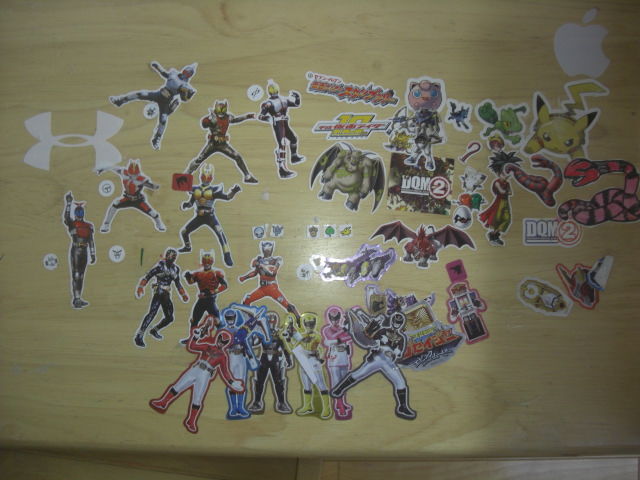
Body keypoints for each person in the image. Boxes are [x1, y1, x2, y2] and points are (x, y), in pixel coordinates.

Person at [149, 319, 243, 434]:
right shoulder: (208, 346)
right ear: (217, 338)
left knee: (198, 397)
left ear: (226, 343)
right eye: (220, 340)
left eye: (224, 342)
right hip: (196, 368)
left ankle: (191, 421)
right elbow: (192, 346)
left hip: (206, 374)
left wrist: (232, 382)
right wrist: (195, 337)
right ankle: (163, 402)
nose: (221, 343)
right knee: (178, 386)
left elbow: (225, 371)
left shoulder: (223, 356)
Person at [331, 311, 416, 420]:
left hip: (389, 361)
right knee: (359, 373)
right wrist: (379, 340)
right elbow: (370, 339)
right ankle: (339, 389)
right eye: (395, 322)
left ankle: (402, 407)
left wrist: (393, 352)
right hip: (377, 356)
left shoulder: (401, 338)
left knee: (400, 382)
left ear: (401, 324)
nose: (396, 324)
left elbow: (398, 352)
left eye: (398, 323)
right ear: (392, 321)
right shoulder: (383, 330)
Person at [109, 61, 197, 150]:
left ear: (190, 75)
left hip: (166, 101)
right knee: (141, 94)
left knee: (163, 120)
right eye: (186, 72)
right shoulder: (174, 73)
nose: (186, 74)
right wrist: (158, 68)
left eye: (188, 74)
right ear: (184, 70)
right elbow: (165, 74)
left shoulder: (186, 85)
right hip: (158, 94)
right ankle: (120, 100)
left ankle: (157, 138)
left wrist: (187, 93)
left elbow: (184, 99)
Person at [178, 163, 240, 267]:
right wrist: (186, 205)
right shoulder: (195, 189)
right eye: (204, 177)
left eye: (208, 177)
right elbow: (191, 202)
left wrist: (233, 191)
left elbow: (227, 197)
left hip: (210, 217)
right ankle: (187, 247)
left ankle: (227, 256)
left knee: (220, 234)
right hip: (199, 217)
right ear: (201, 177)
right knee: (184, 232)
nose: (206, 179)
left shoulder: (214, 190)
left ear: (211, 178)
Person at [184, 100, 258, 184]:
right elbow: (204, 125)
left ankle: (247, 176)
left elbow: (236, 119)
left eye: (222, 111)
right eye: (219, 111)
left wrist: (247, 116)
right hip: (212, 144)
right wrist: (209, 120)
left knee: (237, 156)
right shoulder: (212, 117)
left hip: (223, 144)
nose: (221, 114)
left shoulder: (228, 117)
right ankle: (187, 174)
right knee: (199, 159)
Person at [134, 248, 188, 348]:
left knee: (169, 318)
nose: (170, 259)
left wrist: (183, 294)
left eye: (172, 257)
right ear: (166, 256)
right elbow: (148, 276)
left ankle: (154, 330)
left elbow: (178, 283)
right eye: (169, 257)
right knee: (152, 313)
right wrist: (141, 286)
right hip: (159, 291)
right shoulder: (160, 266)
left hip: (166, 293)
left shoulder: (175, 269)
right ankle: (139, 335)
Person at [97, 159, 165, 233]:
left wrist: (155, 186)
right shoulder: (124, 172)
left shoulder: (142, 179)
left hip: (138, 201)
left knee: (153, 213)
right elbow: (113, 168)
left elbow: (152, 186)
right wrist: (103, 169)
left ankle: (159, 223)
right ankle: (106, 224)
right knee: (115, 204)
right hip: (127, 198)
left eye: (135, 175)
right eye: (131, 174)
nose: (133, 176)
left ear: (138, 173)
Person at [238, 241, 300, 321]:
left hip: (272, 288)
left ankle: (298, 319)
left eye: (268, 249)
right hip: (262, 288)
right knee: (247, 300)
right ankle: (247, 319)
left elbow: (272, 272)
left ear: (271, 249)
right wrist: (245, 277)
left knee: (286, 304)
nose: (267, 251)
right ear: (263, 249)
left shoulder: (275, 260)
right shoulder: (260, 260)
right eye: (265, 249)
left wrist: (261, 265)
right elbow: (255, 272)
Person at [247, 311, 293, 414]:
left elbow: (285, 347)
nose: (271, 323)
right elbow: (254, 343)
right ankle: (257, 402)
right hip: (264, 358)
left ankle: (281, 403)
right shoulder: (262, 333)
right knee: (259, 381)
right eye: (269, 322)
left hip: (275, 359)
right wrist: (251, 334)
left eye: (272, 321)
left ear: (275, 322)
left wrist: (288, 359)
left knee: (279, 382)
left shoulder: (279, 333)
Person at [258, 80, 305, 178]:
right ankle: (282, 169)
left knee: (293, 139)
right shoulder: (268, 103)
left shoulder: (284, 99)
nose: (274, 92)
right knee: (282, 144)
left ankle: (294, 157)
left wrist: (297, 97)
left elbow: (296, 104)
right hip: (278, 124)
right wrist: (270, 118)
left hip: (285, 124)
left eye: (274, 90)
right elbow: (261, 116)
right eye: (273, 90)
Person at [181, 250, 227, 344]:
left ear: (211, 262)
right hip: (201, 300)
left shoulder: (216, 273)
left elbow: (224, 285)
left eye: (208, 262)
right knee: (194, 320)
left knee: (217, 320)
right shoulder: (198, 274)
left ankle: (223, 338)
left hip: (210, 300)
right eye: (205, 262)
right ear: (202, 262)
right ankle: (192, 339)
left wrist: (213, 291)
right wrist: (187, 277)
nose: (206, 264)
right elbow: (191, 282)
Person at [62, 192, 96, 309]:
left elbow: (91, 240)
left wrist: (93, 254)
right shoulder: (73, 224)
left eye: (81, 212)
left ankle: (78, 298)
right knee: (76, 274)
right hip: (76, 249)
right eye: (78, 212)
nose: (80, 214)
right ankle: (76, 299)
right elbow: (66, 218)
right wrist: (68, 204)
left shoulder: (88, 226)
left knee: (81, 275)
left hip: (83, 251)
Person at [321, 306, 354, 420]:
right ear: (329, 319)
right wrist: (342, 332)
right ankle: (339, 405)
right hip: (334, 360)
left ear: (340, 318)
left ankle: (342, 402)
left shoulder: (342, 328)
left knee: (343, 383)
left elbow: (349, 338)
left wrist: (337, 338)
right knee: (336, 383)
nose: (334, 321)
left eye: (336, 318)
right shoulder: (327, 329)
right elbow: (330, 337)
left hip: (344, 358)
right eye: (332, 319)